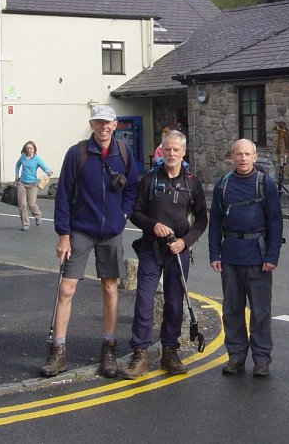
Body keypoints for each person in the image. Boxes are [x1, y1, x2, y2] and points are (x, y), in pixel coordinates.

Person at [39, 104, 139, 379]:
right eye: (98, 123)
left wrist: (124, 214)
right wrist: (63, 233)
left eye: (107, 123)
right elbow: (63, 194)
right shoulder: (77, 153)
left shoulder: (123, 152)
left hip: (111, 232)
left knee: (110, 288)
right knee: (67, 289)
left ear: (115, 125)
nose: (103, 127)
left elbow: (132, 186)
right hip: (80, 230)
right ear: (92, 124)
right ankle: (57, 350)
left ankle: (109, 347)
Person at [120, 130, 207, 378]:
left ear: (183, 152)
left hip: (178, 251)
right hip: (151, 248)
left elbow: (201, 220)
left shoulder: (192, 182)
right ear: (162, 150)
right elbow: (135, 212)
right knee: (144, 301)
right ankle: (140, 353)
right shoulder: (148, 180)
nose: (171, 153)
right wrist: (153, 225)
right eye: (167, 149)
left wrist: (185, 241)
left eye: (175, 150)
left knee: (174, 303)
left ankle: (170, 350)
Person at [208, 138, 283, 377]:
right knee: (231, 310)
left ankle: (261, 359)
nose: (242, 158)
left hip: (258, 257)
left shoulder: (265, 184)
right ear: (232, 157)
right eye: (238, 154)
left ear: (254, 157)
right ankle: (236, 356)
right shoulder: (223, 185)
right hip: (230, 256)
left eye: (247, 154)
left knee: (260, 312)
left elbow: (275, 222)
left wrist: (272, 256)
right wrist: (214, 254)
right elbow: (215, 223)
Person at [14, 140, 53, 231]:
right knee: (22, 204)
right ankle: (25, 223)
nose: (29, 150)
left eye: (31, 148)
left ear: (34, 149)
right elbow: (17, 165)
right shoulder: (22, 157)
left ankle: (37, 215)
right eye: (27, 148)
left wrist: (48, 171)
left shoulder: (37, 159)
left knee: (31, 204)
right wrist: (16, 174)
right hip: (22, 183)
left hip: (33, 184)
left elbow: (43, 166)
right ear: (25, 149)